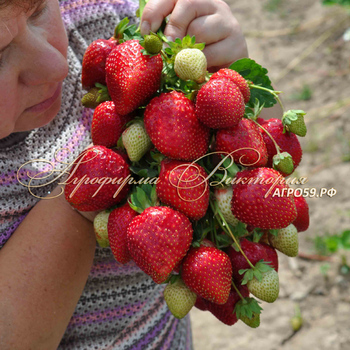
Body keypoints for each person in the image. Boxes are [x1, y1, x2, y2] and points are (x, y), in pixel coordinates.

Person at [0, 0, 248, 348]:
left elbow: (254, 168)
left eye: (39, 10)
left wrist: (229, 81)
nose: (57, 67)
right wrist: (87, 195)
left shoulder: (100, 19)